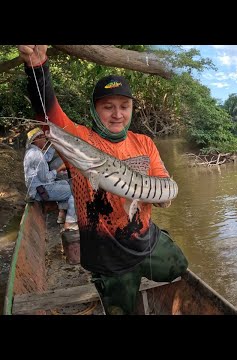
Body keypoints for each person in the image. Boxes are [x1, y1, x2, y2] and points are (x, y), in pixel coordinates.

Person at [18, 45, 188, 315]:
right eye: (108, 107)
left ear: (132, 108)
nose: (117, 114)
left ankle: (149, 258)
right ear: (95, 110)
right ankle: (108, 281)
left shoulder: (143, 142)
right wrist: (37, 67)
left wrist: (162, 197)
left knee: (179, 266)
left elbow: (163, 181)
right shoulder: (82, 140)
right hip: (106, 252)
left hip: (144, 238)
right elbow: (49, 118)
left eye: (124, 106)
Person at [23, 127, 78, 231]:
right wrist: (58, 170)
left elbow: (47, 158)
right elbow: (45, 178)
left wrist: (53, 144)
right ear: (36, 139)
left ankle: (61, 215)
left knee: (65, 183)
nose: (45, 140)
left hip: (37, 189)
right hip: (41, 191)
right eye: (43, 138)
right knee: (74, 191)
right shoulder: (36, 155)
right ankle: (70, 222)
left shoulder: (33, 151)